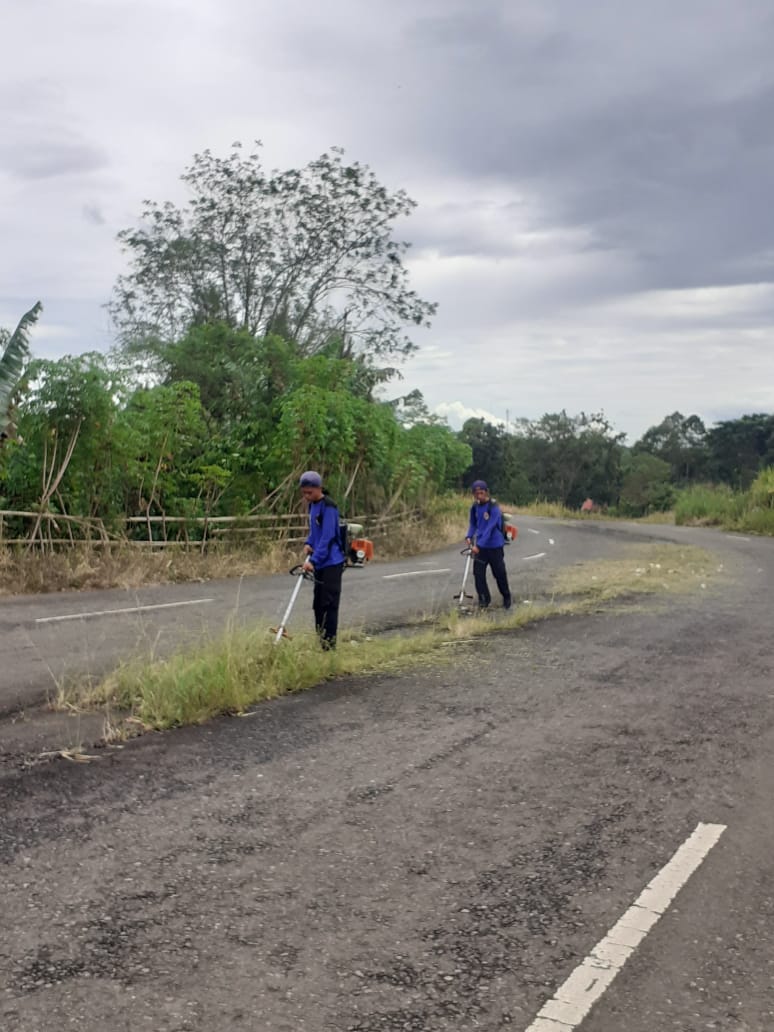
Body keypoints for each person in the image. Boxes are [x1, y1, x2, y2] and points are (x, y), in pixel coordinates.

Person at [300, 470, 345, 649]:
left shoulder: (329, 507)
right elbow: (315, 533)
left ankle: (330, 646)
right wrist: (309, 543)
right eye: (303, 493)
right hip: (320, 562)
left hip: (332, 562)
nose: (306, 496)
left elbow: (327, 538)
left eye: (309, 492)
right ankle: (322, 642)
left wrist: (314, 561)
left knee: (329, 605)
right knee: (317, 605)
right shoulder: (313, 506)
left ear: (319, 488)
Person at [465, 480, 512, 610]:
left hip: (494, 546)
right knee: (478, 574)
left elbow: (490, 528)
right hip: (480, 546)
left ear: (486, 492)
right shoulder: (474, 507)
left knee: (499, 573)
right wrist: (468, 536)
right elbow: (473, 524)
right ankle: (484, 600)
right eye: (476, 493)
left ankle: (506, 597)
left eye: (481, 492)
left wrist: (478, 545)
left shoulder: (493, 507)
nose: (479, 495)